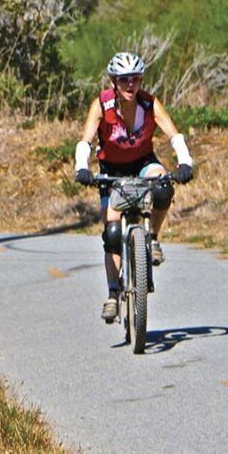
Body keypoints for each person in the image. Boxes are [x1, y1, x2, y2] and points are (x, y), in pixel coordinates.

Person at [73, 52, 195, 323]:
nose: (131, 85)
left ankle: (151, 238)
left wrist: (185, 162)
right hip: (111, 171)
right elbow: (86, 140)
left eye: (136, 79)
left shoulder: (149, 104)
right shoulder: (102, 105)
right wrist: (82, 167)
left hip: (142, 163)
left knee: (163, 185)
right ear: (113, 81)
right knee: (113, 233)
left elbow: (174, 134)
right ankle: (113, 293)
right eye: (124, 79)